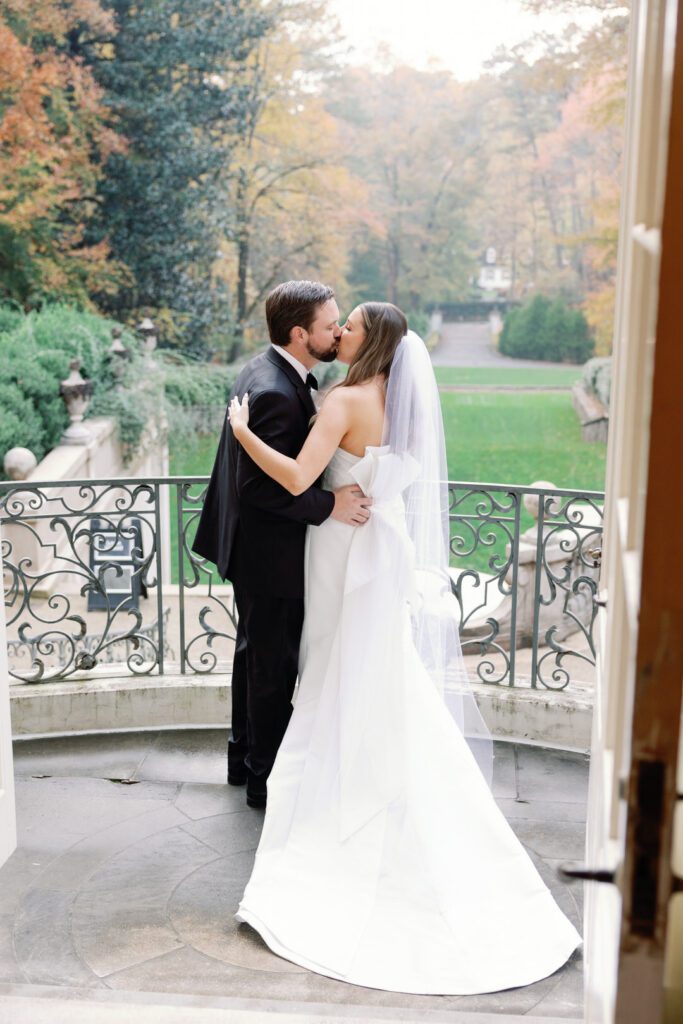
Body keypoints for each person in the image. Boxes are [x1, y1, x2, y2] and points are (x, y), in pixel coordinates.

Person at [226, 300, 583, 995]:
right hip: (382, 549)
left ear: (374, 341)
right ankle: (379, 765)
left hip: (339, 550)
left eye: (350, 325)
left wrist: (242, 435)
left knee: (332, 668)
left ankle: (341, 784)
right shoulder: (407, 403)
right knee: (378, 668)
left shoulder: (344, 398)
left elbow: (299, 479)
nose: (341, 332)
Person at [191, 281, 372, 808]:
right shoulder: (274, 391)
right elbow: (257, 489)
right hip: (269, 554)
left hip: (251, 550)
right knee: (272, 668)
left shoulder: (264, 369)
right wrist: (329, 505)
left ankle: (243, 756)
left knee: (254, 656)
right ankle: (264, 781)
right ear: (300, 334)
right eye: (328, 325)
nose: (337, 332)